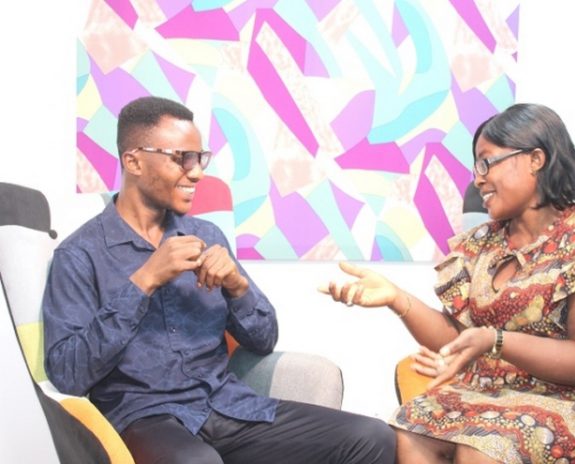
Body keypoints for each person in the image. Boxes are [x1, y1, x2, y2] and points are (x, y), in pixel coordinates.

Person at [42, 96, 395, 464]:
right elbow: (69, 374)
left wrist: (237, 286)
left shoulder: (207, 236)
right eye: (182, 158)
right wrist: (144, 280)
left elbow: (264, 339)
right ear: (133, 161)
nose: (196, 173)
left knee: (371, 438)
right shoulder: (79, 255)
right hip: (143, 417)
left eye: (199, 159)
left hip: (225, 406)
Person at [320, 103, 575, 463]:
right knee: (411, 428)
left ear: (536, 159)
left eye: (487, 162)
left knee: (484, 445)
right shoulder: (481, 245)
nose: (478, 179)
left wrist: (497, 341)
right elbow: (458, 341)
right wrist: (397, 299)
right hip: (500, 393)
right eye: (477, 166)